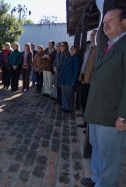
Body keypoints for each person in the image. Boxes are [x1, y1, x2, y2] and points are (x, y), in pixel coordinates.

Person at [81, 8, 126, 187]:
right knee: (97, 149)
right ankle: (96, 178)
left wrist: (123, 116)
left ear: (124, 22)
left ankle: (105, 183)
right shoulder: (110, 45)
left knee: (110, 157)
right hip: (97, 112)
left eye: (111, 21)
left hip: (112, 115)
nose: (105, 25)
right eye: (104, 22)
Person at [77, 30, 97, 128]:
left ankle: (87, 123)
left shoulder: (97, 49)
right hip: (84, 77)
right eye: (91, 35)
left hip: (91, 80)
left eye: (94, 35)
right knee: (84, 99)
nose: (92, 37)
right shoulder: (89, 48)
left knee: (88, 101)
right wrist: (81, 75)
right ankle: (84, 117)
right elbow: (84, 63)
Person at [58, 45, 81, 113]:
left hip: (70, 79)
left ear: (76, 51)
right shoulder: (68, 57)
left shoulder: (76, 58)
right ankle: (64, 106)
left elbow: (76, 70)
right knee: (64, 94)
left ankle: (69, 108)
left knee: (69, 94)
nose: (71, 50)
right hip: (64, 78)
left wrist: (74, 81)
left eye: (73, 49)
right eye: (71, 49)